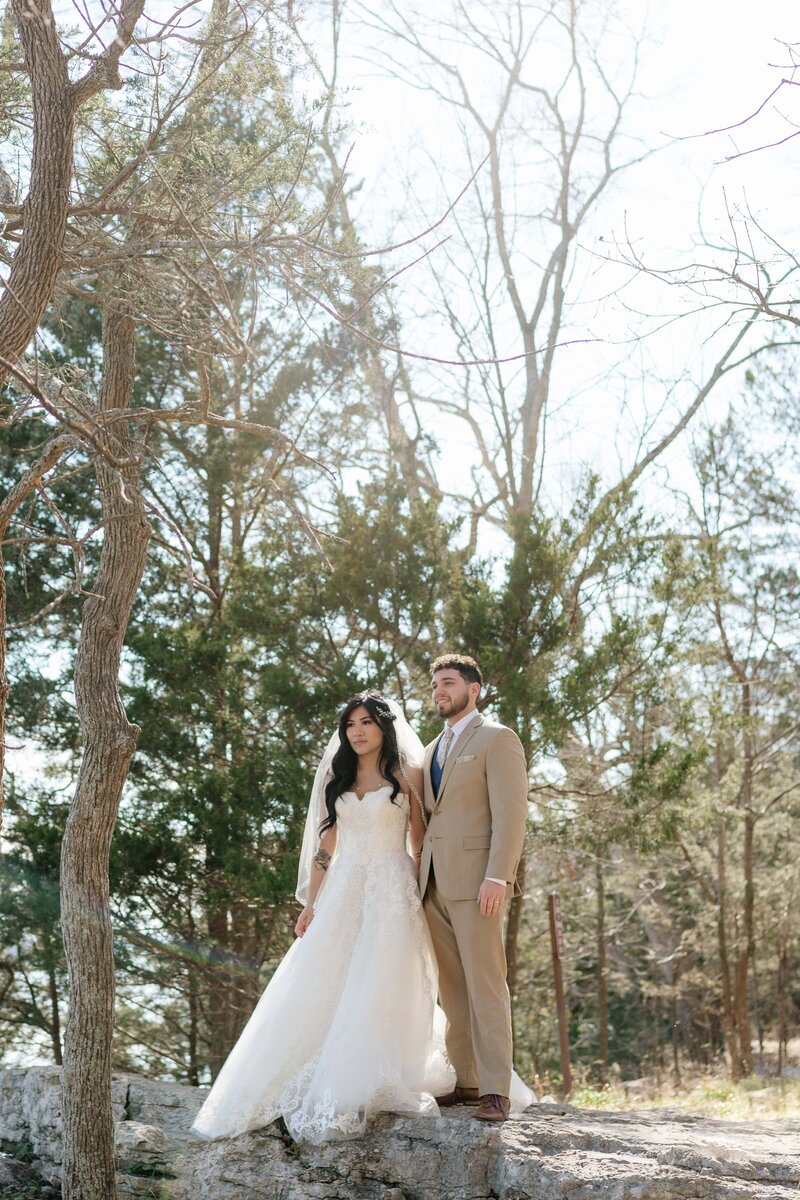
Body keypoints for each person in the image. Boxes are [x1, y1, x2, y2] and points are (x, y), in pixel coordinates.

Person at [190, 691, 455, 1144]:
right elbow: (324, 850)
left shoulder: (406, 774)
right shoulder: (337, 776)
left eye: (367, 722)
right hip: (345, 887)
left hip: (391, 888)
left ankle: (368, 1071)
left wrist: (413, 896)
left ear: (384, 728)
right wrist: (311, 905)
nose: (357, 731)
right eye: (351, 724)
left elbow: (418, 841)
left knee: (381, 978)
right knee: (324, 977)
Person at [419, 654, 529, 1123]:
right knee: (452, 986)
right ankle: (464, 1081)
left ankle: (495, 1090)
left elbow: (511, 814)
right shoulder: (428, 750)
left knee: (486, 983)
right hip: (433, 884)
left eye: (448, 682)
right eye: (434, 685)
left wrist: (498, 875)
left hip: (479, 882)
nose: (439, 691)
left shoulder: (497, 739)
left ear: (474, 689)